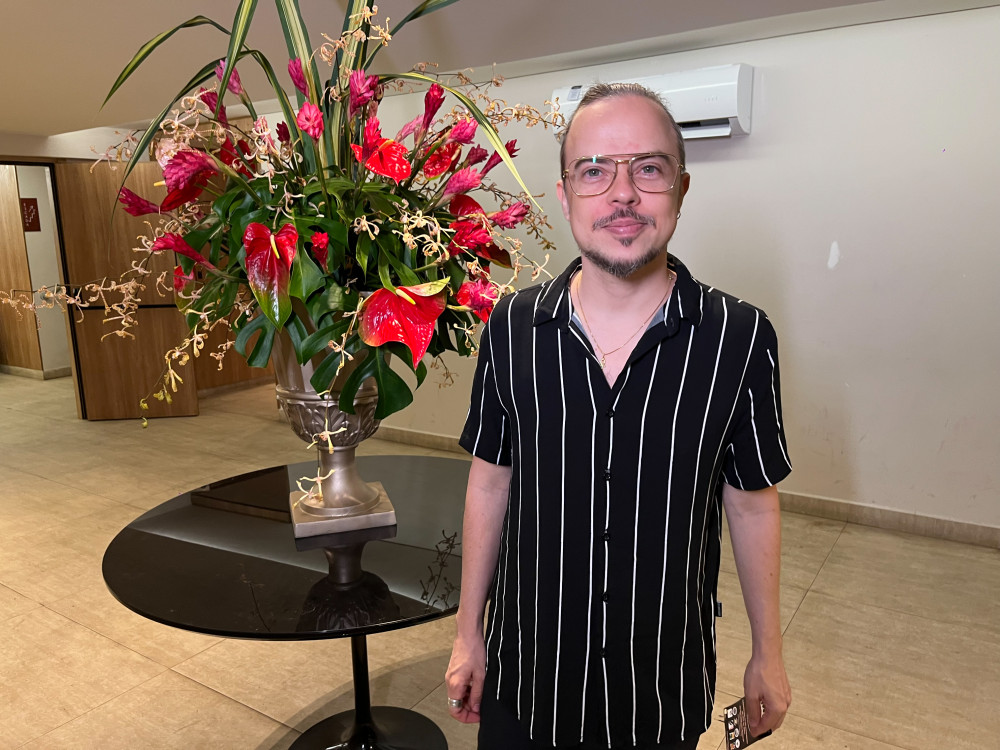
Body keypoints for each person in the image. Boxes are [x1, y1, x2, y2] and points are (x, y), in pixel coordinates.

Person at [446, 82, 792, 749]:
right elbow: (490, 484)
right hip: (526, 681)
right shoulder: (512, 326)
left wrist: (767, 653)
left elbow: (752, 504)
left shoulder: (740, 337)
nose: (623, 194)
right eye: (594, 170)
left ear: (681, 189)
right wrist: (469, 632)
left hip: (659, 692)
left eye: (649, 169)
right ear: (565, 194)